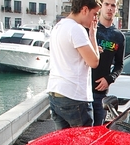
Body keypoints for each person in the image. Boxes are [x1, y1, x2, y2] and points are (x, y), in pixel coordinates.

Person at [46, 0, 101, 130]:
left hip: (56, 92)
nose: (95, 19)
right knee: (83, 143)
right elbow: (94, 62)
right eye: (94, 14)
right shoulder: (76, 29)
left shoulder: (58, 26)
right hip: (74, 96)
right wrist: (92, 36)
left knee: (65, 143)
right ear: (85, 10)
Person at [91, 0, 125, 126]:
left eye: (113, 5)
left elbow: (119, 65)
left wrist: (109, 79)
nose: (109, 8)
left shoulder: (119, 36)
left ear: (116, 9)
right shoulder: (90, 28)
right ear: (101, 7)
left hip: (101, 94)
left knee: (98, 131)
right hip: (83, 92)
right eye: (106, 4)